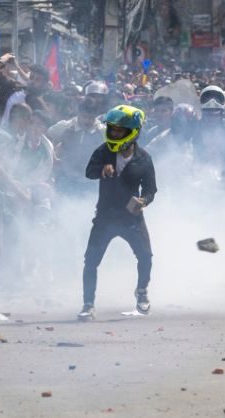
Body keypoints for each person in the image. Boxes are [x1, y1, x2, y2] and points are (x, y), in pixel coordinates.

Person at [78, 105, 157, 321]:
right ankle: (88, 304)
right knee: (91, 260)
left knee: (146, 257)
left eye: (119, 131)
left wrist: (144, 201)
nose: (113, 134)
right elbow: (88, 172)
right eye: (112, 130)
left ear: (133, 132)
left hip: (131, 218)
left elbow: (151, 190)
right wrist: (101, 169)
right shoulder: (104, 151)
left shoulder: (144, 159)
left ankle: (141, 293)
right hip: (105, 217)